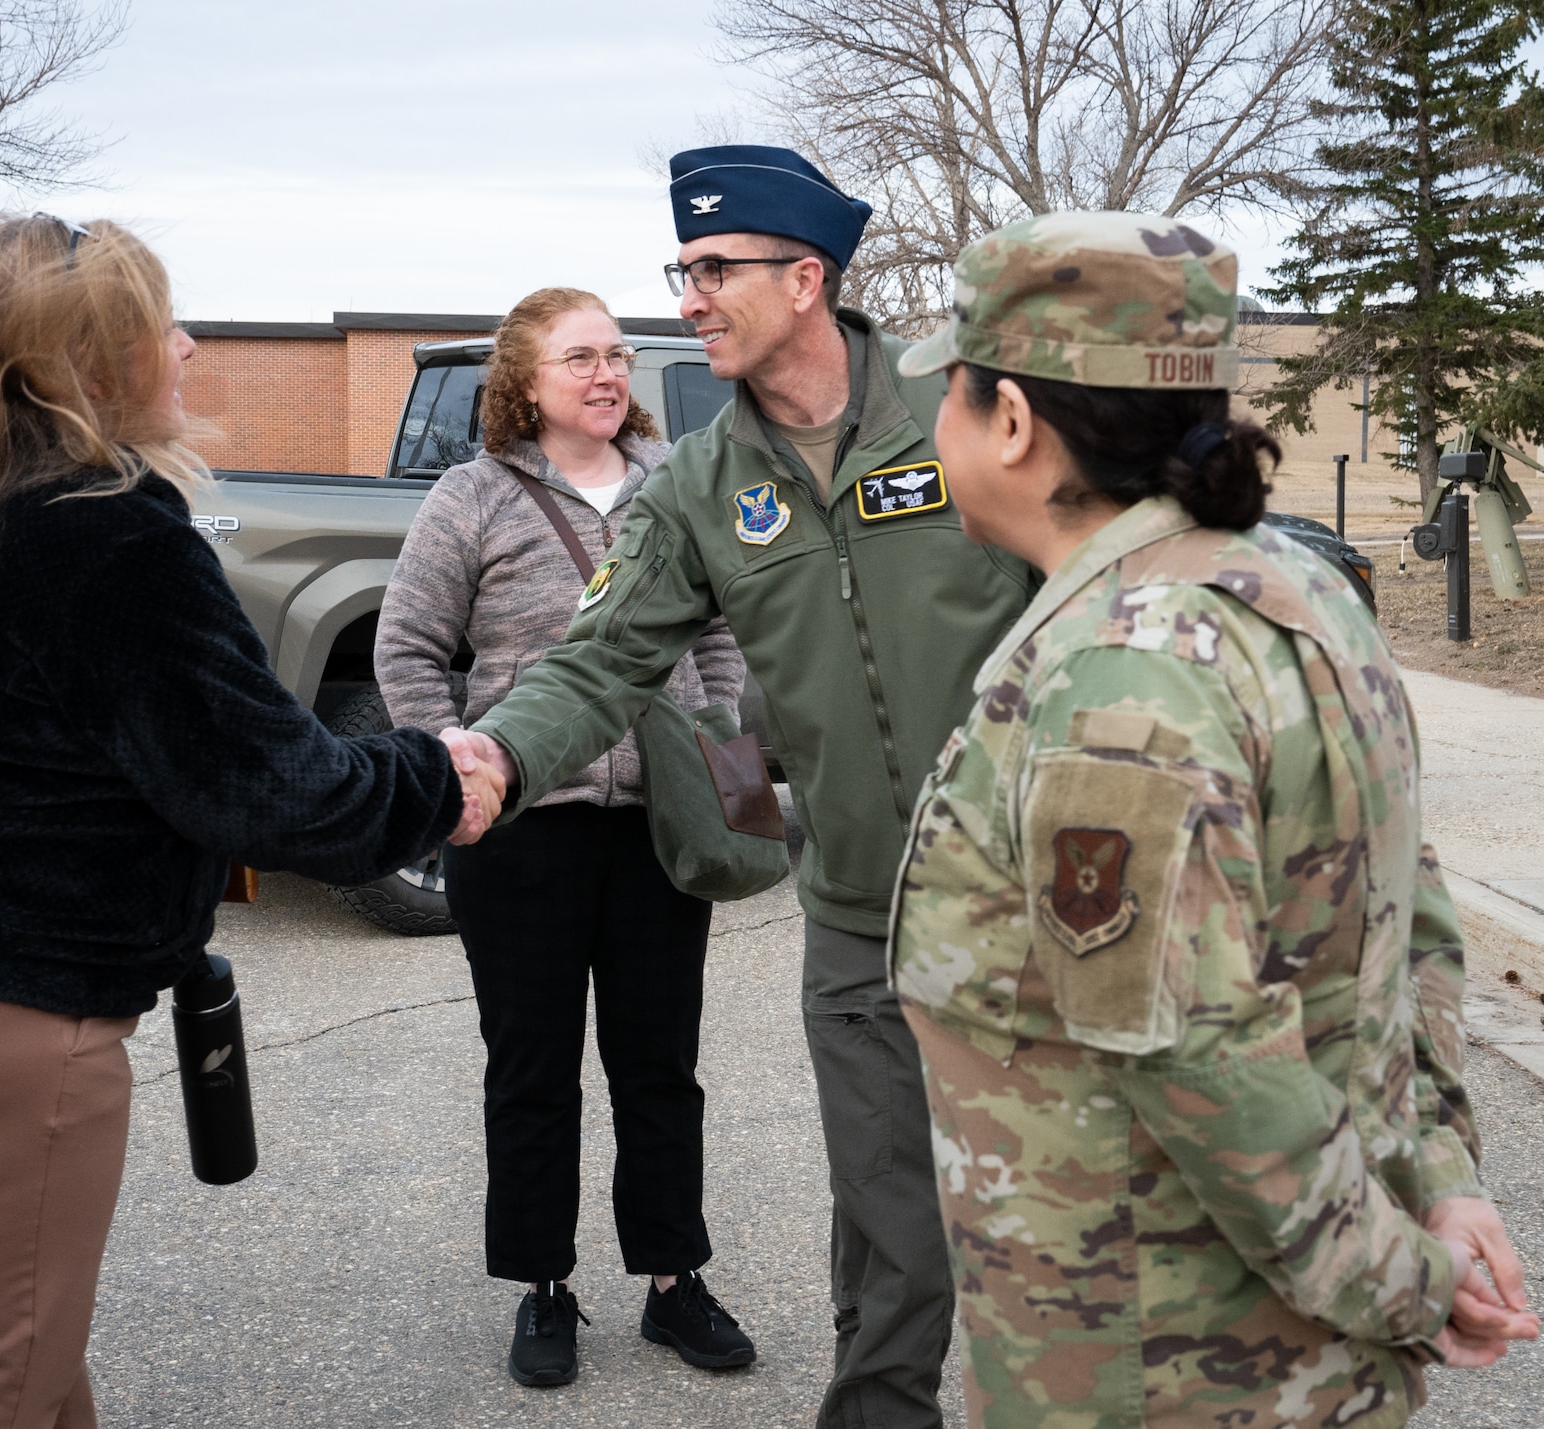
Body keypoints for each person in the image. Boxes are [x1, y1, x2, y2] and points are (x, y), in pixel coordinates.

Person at [0, 214, 492, 1429]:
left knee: (30, 1358)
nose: (192, 346)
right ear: (98, 360)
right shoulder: (105, 533)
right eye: (165, 326)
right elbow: (270, 789)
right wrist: (446, 775)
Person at [885, 210, 1539, 1427]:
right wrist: (1438, 1182)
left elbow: (1197, 1057)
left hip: (1160, 1367)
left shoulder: (1119, 677)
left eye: (956, 394)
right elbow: (1411, 921)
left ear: (1013, 422)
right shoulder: (1296, 598)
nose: (939, 426)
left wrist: (1408, 1280)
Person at [442, 146, 1039, 1427]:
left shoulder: (965, 405)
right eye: (685, 269)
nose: (690, 296)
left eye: (714, 269)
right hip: (859, 917)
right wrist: (495, 751)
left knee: (1055, 1231)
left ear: (805, 278)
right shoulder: (701, 482)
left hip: (1033, 902)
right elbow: (597, 659)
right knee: (889, 1227)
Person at [376, 287, 753, 1387]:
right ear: (523, 384)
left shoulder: (673, 490)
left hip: (654, 832)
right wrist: (454, 766)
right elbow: (405, 653)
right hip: (521, 837)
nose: (606, 375)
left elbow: (720, 641)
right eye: (579, 358)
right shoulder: (471, 498)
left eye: (617, 356)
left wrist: (722, 764)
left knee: (658, 1068)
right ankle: (543, 1284)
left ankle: (673, 1281)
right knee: (532, 1070)